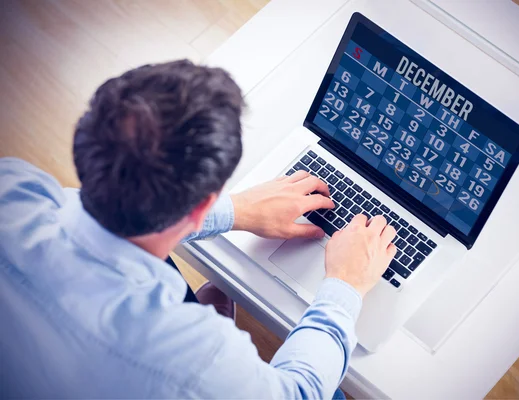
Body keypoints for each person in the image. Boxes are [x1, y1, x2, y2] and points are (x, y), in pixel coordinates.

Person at [0, 60, 396, 399]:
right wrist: (344, 285)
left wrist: (235, 210)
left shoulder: (12, 188)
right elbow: (300, 391)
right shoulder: (194, 358)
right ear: (203, 204)